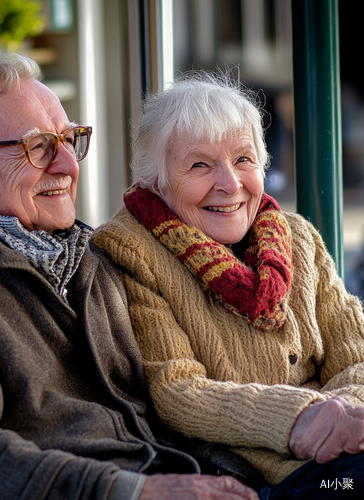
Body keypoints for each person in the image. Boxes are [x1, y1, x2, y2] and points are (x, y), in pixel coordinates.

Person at [0, 54, 259, 500]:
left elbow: (174, 400)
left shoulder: (90, 252)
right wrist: (131, 492)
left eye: (70, 141)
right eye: (38, 147)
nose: (69, 166)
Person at [91, 70, 364, 498]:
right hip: (259, 477)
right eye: (200, 165)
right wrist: (303, 418)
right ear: (155, 181)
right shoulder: (132, 254)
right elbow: (176, 390)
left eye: (243, 160)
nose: (230, 184)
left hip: (345, 451)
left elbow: (357, 354)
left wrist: (344, 416)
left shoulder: (297, 237)